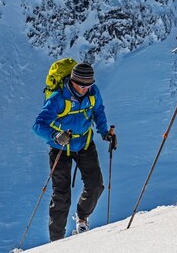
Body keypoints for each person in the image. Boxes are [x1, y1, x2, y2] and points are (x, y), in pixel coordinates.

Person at [33, 62, 117, 241]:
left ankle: (82, 217)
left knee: (96, 185)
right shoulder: (58, 98)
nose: (85, 89)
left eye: (89, 85)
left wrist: (105, 133)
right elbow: (38, 125)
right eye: (81, 85)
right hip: (61, 147)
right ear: (72, 81)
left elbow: (98, 111)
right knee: (61, 195)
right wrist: (56, 135)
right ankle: (56, 242)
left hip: (85, 144)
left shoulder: (93, 92)